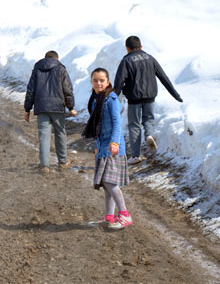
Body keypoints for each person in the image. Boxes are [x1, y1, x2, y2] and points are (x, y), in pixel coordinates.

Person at [114, 36, 183, 165]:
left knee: (134, 125)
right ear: (141, 47)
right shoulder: (150, 58)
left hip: (134, 98)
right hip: (150, 96)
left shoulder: (126, 61)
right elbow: (164, 77)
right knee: (149, 119)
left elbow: (119, 81)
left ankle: (135, 155)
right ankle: (149, 135)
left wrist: (113, 98)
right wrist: (176, 95)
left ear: (127, 48)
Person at [83, 68, 133, 229]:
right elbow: (97, 125)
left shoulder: (111, 99)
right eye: (95, 80)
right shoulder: (95, 99)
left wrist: (115, 143)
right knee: (106, 185)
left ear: (108, 82)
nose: (99, 83)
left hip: (113, 147)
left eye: (102, 80)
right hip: (102, 146)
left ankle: (125, 215)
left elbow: (117, 123)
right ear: (91, 82)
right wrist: (97, 146)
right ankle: (109, 217)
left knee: (109, 181)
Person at [24, 50, 77, 173]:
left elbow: (30, 90)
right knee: (60, 133)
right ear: (56, 58)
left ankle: (44, 165)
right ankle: (63, 162)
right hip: (58, 107)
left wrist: (27, 109)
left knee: (44, 135)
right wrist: (71, 107)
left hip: (41, 106)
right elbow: (67, 89)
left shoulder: (37, 69)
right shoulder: (61, 68)